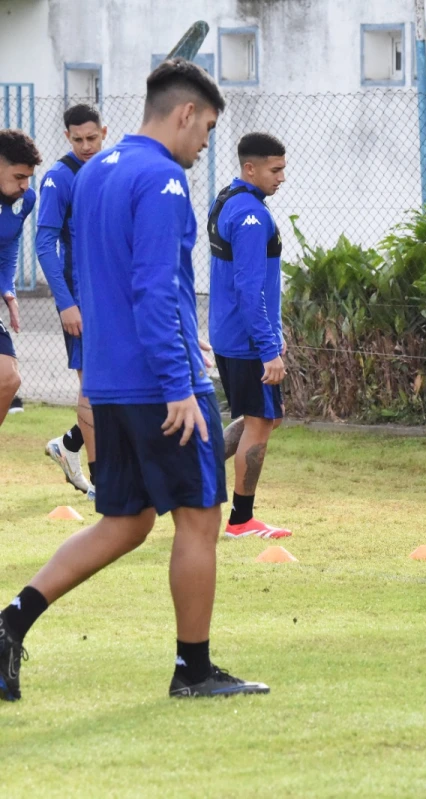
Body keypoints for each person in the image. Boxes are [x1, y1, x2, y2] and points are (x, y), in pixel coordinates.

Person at [0, 59, 269, 702]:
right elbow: (152, 287)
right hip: (161, 384)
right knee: (201, 518)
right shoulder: (165, 179)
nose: (204, 144)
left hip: (107, 379)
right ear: (183, 114)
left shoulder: (92, 172)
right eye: (204, 129)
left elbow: (106, 274)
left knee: (125, 521)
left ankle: (11, 621)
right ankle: (194, 672)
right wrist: (181, 383)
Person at [207, 132, 291, 540]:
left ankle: (188, 471)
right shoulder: (252, 216)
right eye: (275, 170)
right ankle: (241, 519)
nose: (282, 177)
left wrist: (273, 334)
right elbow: (249, 288)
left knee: (264, 419)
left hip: (232, 334)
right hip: (245, 341)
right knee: (259, 424)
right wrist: (269, 346)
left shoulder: (228, 198)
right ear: (250, 169)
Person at [38, 104, 109, 499]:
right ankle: (102, 484)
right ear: (68, 137)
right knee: (94, 387)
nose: (85, 146)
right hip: (80, 301)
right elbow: (44, 245)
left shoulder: (111, 171)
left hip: (112, 299)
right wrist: (66, 303)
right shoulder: (59, 178)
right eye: (77, 139)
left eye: (92, 138)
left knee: (115, 385)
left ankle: (68, 446)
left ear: (104, 132)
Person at [0, 129, 40, 429]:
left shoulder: (22, 201)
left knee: (8, 379)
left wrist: (7, 289)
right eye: (18, 177)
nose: (25, 185)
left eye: (28, 177)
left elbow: (10, 242)